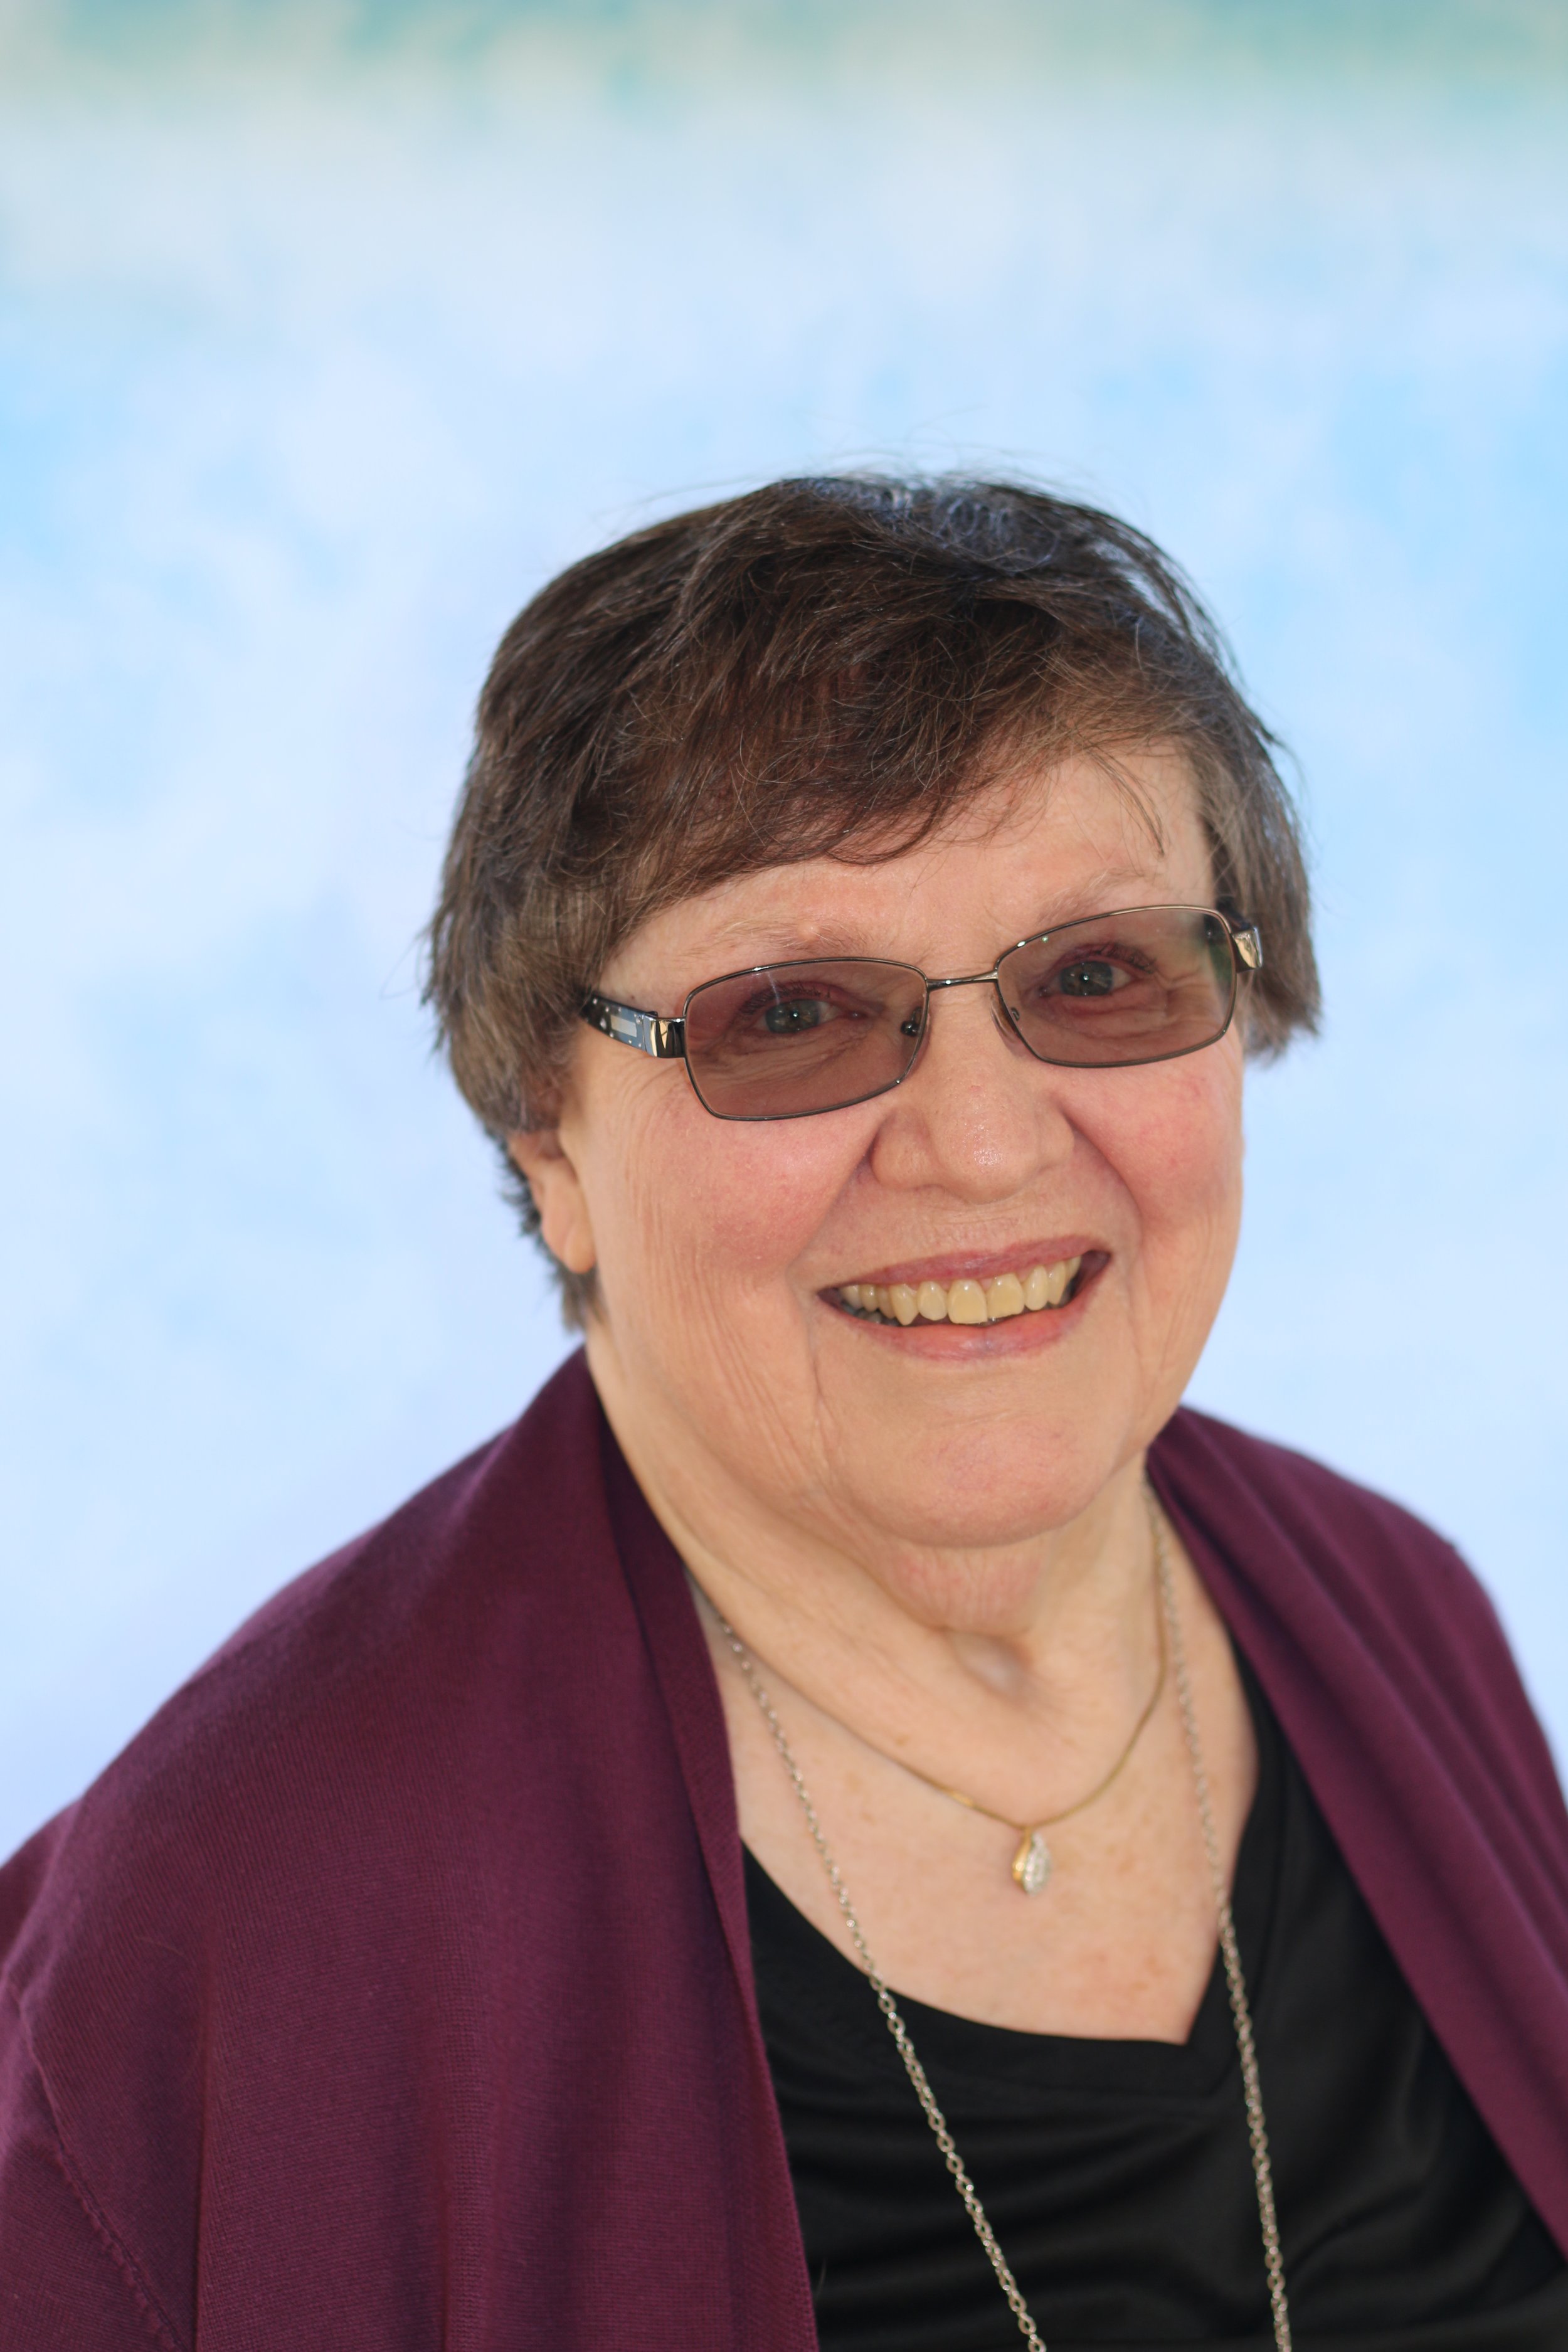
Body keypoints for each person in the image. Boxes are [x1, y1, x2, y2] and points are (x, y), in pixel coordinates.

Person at [3, 478, 1566, 2352]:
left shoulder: (1395, 1610)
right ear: (549, 1140)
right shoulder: (237, 1919)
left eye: (1096, 976)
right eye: (793, 1014)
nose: (982, 1146)